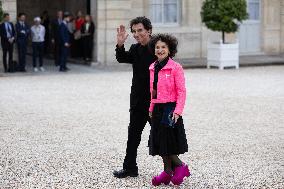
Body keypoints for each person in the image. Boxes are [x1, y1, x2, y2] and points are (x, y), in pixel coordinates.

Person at [113, 16, 156, 178]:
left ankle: (173, 167)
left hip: (155, 102)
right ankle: (130, 168)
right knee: (133, 136)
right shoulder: (135, 49)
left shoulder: (158, 48)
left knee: (162, 136)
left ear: (149, 30)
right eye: (134, 31)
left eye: (140, 30)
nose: (137, 34)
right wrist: (120, 44)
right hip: (138, 101)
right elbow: (121, 58)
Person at [148, 34, 190, 186]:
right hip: (158, 109)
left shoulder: (175, 68)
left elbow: (182, 91)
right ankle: (167, 172)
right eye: (157, 47)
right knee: (160, 143)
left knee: (168, 142)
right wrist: (151, 108)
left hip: (170, 109)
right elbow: (152, 91)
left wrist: (178, 111)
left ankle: (181, 166)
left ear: (169, 49)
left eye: (163, 47)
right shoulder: (152, 68)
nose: (160, 50)